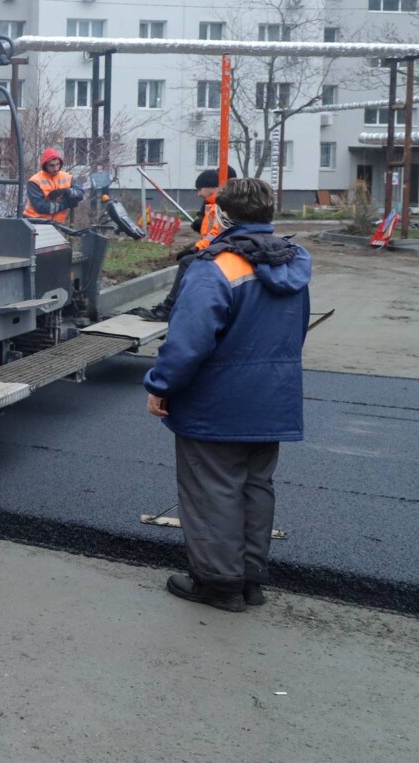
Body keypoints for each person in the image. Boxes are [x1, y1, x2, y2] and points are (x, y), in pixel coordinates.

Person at [143, 178, 311, 613]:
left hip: (216, 404)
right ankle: (250, 579)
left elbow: (188, 342)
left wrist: (160, 386)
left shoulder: (215, 266)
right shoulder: (295, 263)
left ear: (221, 214)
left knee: (212, 490)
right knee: (256, 487)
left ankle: (218, 585)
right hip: (274, 400)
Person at [135, 169, 235, 322]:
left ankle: (169, 308)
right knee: (189, 262)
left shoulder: (220, 205)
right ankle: (180, 305)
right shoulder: (213, 204)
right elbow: (211, 234)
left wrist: (196, 248)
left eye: (200, 189)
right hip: (219, 249)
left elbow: (216, 234)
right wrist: (195, 245)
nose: (198, 194)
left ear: (210, 187)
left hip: (222, 251)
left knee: (187, 263)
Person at [23, 148, 85, 223]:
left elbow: (80, 194)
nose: (56, 168)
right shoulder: (35, 181)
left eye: (57, 164)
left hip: (56, 223)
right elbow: (41, 207)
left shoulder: (67, 177)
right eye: (51, 165)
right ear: (45, 165)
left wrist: (66, 191)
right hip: (35, 222)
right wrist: (65, 204)